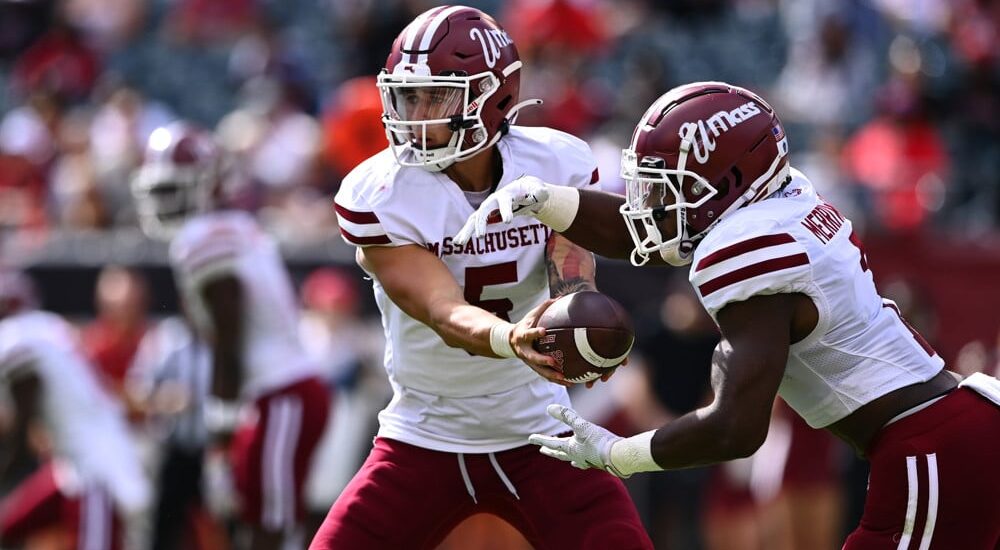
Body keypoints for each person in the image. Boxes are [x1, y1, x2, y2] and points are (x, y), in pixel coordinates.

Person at [457, 81, 1000, 549]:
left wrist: (619, 453)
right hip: (954, 430)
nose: (650, 202)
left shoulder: (748, 252)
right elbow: (644, 230)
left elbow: (735, 429)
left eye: (667, 185)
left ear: (729, 183)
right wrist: (544, 199)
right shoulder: (782, 199)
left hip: (931, 448)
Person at [311, 6, 651, 550]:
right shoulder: (381, 192)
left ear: (492, 100)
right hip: (423, 435)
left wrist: (582, 324)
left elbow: (572, 274)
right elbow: (441, 310)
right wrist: (512, 337)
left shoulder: (552, 163)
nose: (413, 114)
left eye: (433, 98)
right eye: (406, 96)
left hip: (541, 434)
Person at [131, 122, 330, 549]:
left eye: (174, 189)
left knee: (272, 523)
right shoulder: (234, 228)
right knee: (265, 516)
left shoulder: (202, 239)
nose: (165, 202)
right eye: (160, 191)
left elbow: (228, 336)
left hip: (283, 390)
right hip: (278, 392)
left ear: (208, 183)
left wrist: (219, 428)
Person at [0, 269, 151, 550]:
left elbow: (20, 433)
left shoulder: (17, 338)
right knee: (8, 527)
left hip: (96, 473)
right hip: (71, 467)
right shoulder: (45, 328)